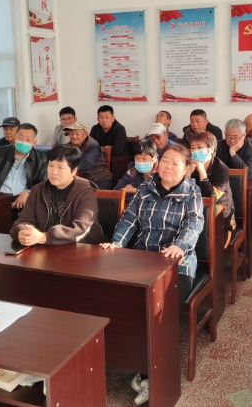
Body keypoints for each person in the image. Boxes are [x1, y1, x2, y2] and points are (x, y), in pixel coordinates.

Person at [101, 144, 203, 406]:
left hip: (177, 264)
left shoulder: (191, 191)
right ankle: (127, 358)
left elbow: (194, 224)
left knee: (158, 311)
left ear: (187, 168)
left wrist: (180, 246)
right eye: (165, 160)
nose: (168, 166)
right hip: (143, 259)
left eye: (175, 163)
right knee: (119, 299)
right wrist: (117, 244)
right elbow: (129, 219)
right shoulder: (146, 187)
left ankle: (152, 373)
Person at [10, 146, 105, 246]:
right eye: (51, 166)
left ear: (74, 171)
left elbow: (80, 229)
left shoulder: (85, 193)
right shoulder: (37, 190)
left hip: (83, 248)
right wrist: (22, 232)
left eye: (60, 167)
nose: (54, 172)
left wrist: (44, 237)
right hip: (45, 247)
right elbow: (23, 220)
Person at [0, 123, 48, 212]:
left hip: (23, 201)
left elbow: (44, 183)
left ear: (34, 143)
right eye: (20, 138)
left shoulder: (41, 158)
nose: (23, 142)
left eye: (28, 139)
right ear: (15, 138)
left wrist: (29, 192)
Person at [187, 131, 235, 233]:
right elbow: (179, 191)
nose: (195, 151)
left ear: (211, 149)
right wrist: (188, 173)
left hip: (219, 219)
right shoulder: (188, 165)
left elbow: (212, 196)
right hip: (192, 215)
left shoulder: (222, 169)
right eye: (192, 148)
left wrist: (202, 172)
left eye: (199, 147)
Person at [64, 122, 113, 189]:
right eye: (71, 134)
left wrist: (66, 168)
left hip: (99, 178)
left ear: (85, 134)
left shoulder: (93, 145)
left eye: (77, 134)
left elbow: (85, 164)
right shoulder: (68, 145)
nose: (74, 136)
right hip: (80, 178)